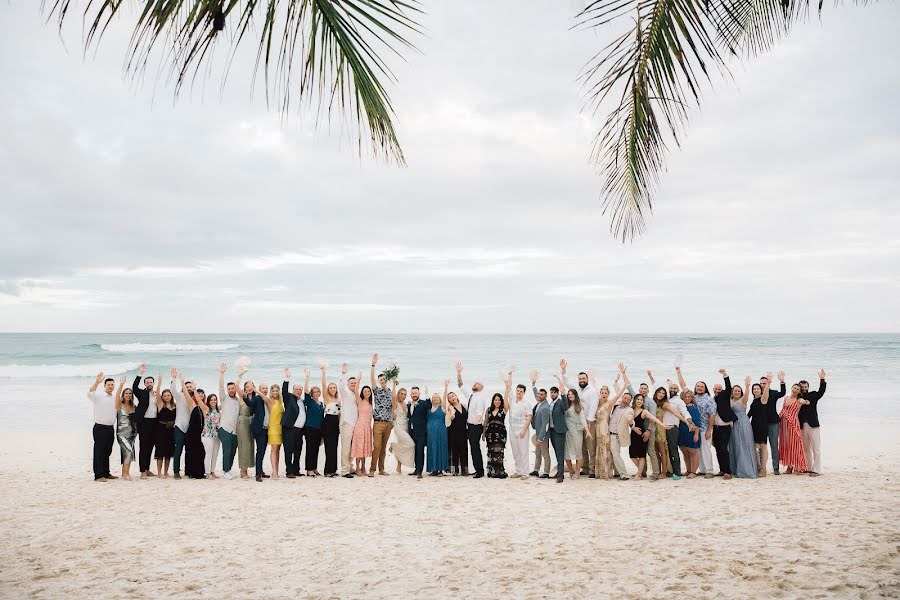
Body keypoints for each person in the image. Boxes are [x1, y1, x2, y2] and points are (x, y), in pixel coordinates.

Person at [560, 358, 600, 477]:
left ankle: (592, 470)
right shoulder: (576, 388)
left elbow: (593, 406)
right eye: (580, 379)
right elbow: (566, 382)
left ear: (587, 379)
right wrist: (563, 370)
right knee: (581, 447)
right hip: (576, 424)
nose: (582, 380)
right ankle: (585, 468)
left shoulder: (592, 390)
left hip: (588, 422)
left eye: (584, 378)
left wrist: (589, 421)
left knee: (590, 446)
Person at [675, 366, 715, 477]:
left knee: (705, 450)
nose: (699, 388)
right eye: (698, 386)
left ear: (705, 388)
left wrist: (709, 430)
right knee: (698, 451)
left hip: (704, 428)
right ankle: (702, 470)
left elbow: (712, 416)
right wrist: (679, 373)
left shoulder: (709, 400)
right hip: (692, 428)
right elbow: (683, 386)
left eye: (702, 386)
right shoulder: (693, 397)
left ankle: (710, 471)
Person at [660, 379, 696, 480]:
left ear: (678, 390)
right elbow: (656, 388)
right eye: (671, 388)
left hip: (672, 428)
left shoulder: (679, 401)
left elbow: (685, 412)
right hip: (661, 427)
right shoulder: (665, 398)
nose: (672, 389)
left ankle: (677, 473)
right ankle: (668, 471)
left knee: (673, 450)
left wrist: (689, 422)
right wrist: (650, 376)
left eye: (675, 388)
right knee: (663, 451)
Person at [456, 361, 487, 479]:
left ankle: (480, 471)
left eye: (477, 384)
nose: (474, 385)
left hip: (475, 426)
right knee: (473, 448)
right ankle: (478, 469)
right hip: (470, 426)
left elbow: (480, 412)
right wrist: (459, 373)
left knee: (475, 448)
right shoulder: (471, 395)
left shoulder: (480, 398)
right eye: (474, 383)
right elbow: (460, 386)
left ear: (481, 388)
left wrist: (475, 422)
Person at [217, 362, 246, 480]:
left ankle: (228, 469)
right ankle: (225, 471)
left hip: (235, 431)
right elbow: (220, 387)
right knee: (227, 451)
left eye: (233, 388)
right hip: (225, 429)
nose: (231, 390)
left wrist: (240, 376)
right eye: (229, 388)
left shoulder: (238, 399)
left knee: (233, 451)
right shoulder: (224, 398)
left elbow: (238, 386)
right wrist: (222, 374)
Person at [483, 369, 513, 479]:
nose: (497, 401)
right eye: (495, 400)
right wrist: (483, 433)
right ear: (493, 400)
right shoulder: (488, 410)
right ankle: (492, 472)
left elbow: (507, 395)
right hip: (490, 434)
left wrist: (507, 386)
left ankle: (500, 472)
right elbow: (486, 421)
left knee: (499, 452)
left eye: (499, 400)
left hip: (500, 434)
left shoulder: (503, 410)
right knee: (491, 452)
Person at [608, 364, 636, 480]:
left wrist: (631, 422)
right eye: (625, 398)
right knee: (612, 453)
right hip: (608, 432)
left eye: (629, 399)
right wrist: (617, 379)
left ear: (630, 401)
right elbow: (618, 388)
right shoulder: (617, 403)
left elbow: (631, 419)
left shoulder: (629, 410)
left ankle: (623, 474)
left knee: (615, 453)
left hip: (617, 435)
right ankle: (616, 472)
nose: (626, 400)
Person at [629, 394, 666, 480]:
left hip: (642, 435)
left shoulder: (644, 411)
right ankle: (641, 471)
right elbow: (627, 422)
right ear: (635, 400)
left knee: (642, 455)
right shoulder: (630, 410)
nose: (639, 401)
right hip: (633, 434)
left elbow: (654, 419)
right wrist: (633, 427)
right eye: (638, 399)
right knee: (632, 455)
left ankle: (639, 475)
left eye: (641, 400)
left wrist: (663, 426)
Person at [88, 373, 117, 481]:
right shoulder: (98, 396)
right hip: (100, 428)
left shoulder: (115, 398)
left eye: (112, 384)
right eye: (109, 384)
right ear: (105, 386)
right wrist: (97, 382)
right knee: (99, 452)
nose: (111, 386)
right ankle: (99, 475)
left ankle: (106, 473)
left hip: (110, 428)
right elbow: (90, 393)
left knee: (107, 452)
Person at [728, 376, 759, 479]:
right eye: (735, 390)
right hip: (733, 425)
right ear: (732, 392)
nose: (737, 392)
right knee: (735, 445)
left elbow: (746, 395)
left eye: (738, 390)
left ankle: (747, 470)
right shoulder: (730, 400)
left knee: (744, 445)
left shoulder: (743, 400)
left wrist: (747, 386)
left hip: (743, 423)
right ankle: (736, 469)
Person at [131, 363, 157, 479]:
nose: (149, 384)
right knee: (144, 447)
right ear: (145, 384)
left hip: (155, 423)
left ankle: (147, 469)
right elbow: (134, 387)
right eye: (147, 382)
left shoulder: (157, 394)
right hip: (144, 423)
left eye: (151, 382)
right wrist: (140, 373)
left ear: (153, 383)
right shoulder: (142, 393)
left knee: (151, 447)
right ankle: (142, 471)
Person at [370, 354, 394, 476]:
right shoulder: (377, 391)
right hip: (378, 422)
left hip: (388, 423)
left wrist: (393, 421)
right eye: (380, 380)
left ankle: (382, 469)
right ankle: (372, 470)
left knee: (383, 448)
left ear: (386, 380)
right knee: (377, 446)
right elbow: (372, 379)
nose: (382, 381)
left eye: (384, 379)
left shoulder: (390, 392)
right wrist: (373, 365)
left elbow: (393, 406)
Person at [798, 369, 826, 476]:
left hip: (813, 425)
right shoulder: (797, 397)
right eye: (802, 387)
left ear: (808, 388)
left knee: (816, 449)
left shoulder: (813, 395)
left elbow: (821, 391)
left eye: (806, 387)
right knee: (806, 449)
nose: (804, 389)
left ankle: (816, 470)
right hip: (802, 426)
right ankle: (808, 468)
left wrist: (822, 379)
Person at [169, 368, 195, 479]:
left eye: (190, 387)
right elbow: (172, 390)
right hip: (179, 427)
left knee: (189, 451)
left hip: (190, 429)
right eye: (187, 386)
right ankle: (176, 472)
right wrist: (174, 378)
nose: (188, 388)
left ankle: (188, 471)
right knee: (178, 450)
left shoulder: (195, 398)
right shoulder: (179, 396)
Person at [178, 374, 206, 479]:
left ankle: (198, 472)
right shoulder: (192, 405)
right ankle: (190, 473)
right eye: (198, 394)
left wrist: (195, 390)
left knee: (200, 452)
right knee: (191, 452)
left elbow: (200, 401)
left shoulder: (205, 408)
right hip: (191, 433)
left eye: (201, 394)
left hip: (200, 434)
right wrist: (182, 383)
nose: (199, 396)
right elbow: (185, 394)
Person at [778, 383, 809, 475]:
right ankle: (789, 466)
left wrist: (806, 401)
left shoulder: (799, 400)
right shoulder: (786, 398)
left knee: (795, 445)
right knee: (787, 445)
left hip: (793, 424)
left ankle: (798, 466)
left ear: (799, 392)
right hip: (784, 424)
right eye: (794, 388)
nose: (795, 390)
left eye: (797, 389)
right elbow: (783, 410)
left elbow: (806, 402)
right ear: (791, 388)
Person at [711, 369, 736, 480]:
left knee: (723, 449)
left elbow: (729, 386)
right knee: (717, 449)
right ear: (713, 389)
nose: (717, 390)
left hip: (725, 427)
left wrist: (725, 375)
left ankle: (728, 472)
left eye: (719, 389)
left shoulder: (724, 396)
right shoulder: (712, 399)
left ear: (722, 390)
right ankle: (721, 470)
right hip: (715, 428)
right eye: (716, 389)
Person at [281, 368, 307, 479]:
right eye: (296, 389)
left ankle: (296, 470)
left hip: (300, 431)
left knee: (298, 451)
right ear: (293, 390)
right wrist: (287, 378)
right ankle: (289, 471)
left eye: (300, 390)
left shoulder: (302, 401)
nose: (298, 391)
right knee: (289, 451)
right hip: (289, 429)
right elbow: (284, 391)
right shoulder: (289, 398)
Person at [508, 381, 534, 479]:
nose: (519, 392)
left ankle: (525, 473)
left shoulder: (526, 403)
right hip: (512, 430)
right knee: (515, 452)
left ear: (524, 393)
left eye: (521, 391)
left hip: (522, 430)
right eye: (517, 391)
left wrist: (524, 430)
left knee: (523, 452)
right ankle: (518, 471)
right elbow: (508, 388)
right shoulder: (512, 400)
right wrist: (510, 374)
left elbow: (529, 417)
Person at [762, 372, 787, 475]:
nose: (763, 385)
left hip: (773, 422)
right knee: (761, 446)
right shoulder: (758, 394)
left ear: (769, 383)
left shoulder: (773, 393)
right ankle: (761, 467)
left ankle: (775, 468)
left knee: (774, 445)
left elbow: (782, 393)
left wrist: (782, 381)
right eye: (761, 383)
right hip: (761, 423)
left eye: (765, 383)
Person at [244, 381, 269, 482]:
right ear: (259, 389)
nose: (265, 390)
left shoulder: (268, 399)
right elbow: (249, 404)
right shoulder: (257, 398)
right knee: (260, 451)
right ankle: (258, 474)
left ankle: (261, 471)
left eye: (266, 388)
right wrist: (245, 396)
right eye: (263, 388)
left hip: (267, 429)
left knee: (262, 451)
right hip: (259, 429)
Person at [748, 374, 773, 476]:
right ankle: (758, 467)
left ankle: (763, 469)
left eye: (758, 388)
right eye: (754, 389)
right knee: (754, 446)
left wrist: (768, 383)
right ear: (753, 391)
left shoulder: (763, 399)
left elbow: (766, 393)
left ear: (761, 390)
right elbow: (749, 414)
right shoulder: (754, 401)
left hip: (762, 425)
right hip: (754, 425)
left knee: (763, 446)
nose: (756, 390)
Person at [562, 388, 589, 479]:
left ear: (575, 395)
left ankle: (577, 472)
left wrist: (587, 430)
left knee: (578, 452)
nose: (570, 395)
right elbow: (562, 392)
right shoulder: (566, 405)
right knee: (566, 453)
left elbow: (583, 419)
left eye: (572, 394)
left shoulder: (579, 406)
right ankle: (571, 470)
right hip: (567, 432)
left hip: (577, 432)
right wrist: (560, 379)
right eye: (569, 394)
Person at [338, 363, 359, 478]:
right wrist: (344, 373)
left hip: (356, 424)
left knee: (353, 447)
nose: (353, 385)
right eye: (351, 383)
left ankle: (350, 467)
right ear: (348, 384)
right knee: (346, 448)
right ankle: (345, 470)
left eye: (355, 383)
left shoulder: (357, 395)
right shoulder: (345, 394)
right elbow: (341, 386)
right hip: (346, 424)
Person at [114, 375, 137, 481]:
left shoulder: (134, 406)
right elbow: (117, 395)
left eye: (130, 393)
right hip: (121, 434)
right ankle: (126, 474)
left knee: (128, 453)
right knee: (128, 452)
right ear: (124, 395)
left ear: (132, 395)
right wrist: (121, 384)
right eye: (126, 393)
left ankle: (124, 473)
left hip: (132, 433)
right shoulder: (119, 405)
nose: (128, 395)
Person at [302, 369, 324, 477]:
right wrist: (307, 378)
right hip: (310, 428)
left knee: (316, 449)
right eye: (314, 392)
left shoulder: (321, 403)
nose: (316, 393)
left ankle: (314, 468)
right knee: (310, 449)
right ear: (312, 393)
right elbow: (305, 391)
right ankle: (309, 469)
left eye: (317, 391)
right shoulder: (309, 401)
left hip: (319, 429)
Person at [320, 365, 341, 477]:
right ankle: (327, 471)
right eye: (331, 388)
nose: (332, 389)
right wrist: (323, 373)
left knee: (335, 447)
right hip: (328, 422)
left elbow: (339, 414)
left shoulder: (338, 399)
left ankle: (333, 470)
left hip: (335, 424)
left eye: (334, 387)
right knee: (329, 447)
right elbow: (323, 385)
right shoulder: (326, 397)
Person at [426, 382, 451, 475]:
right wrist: (427, 394)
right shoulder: (429, 409)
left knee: (441, 448)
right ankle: (434, 469)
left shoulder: (442, 407)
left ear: (439, 399)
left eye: (436, 397)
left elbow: (445, 398)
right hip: (431, 432)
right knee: (432, 448)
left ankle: (440, 469)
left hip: (441, 431)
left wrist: (446, 387)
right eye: (433, 397)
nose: (435, 398)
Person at [351, 377, 374, 477]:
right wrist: (358, 379)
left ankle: (363, 466)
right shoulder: (360, 401)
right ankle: (357, 467)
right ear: (362, 392)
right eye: (365, 391)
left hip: (368, 428)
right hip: (360, 427)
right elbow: (355, 391)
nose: (367, 392)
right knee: (359, 448)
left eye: (368, 391)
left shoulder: (371, 403)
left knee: (364, 448)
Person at [676, 390, 702, 478]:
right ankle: (688, 470)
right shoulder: (680, 407)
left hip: (692, 432)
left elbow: (698, 422)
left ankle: (693, 472)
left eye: (689, 397)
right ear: (682, 398)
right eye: (685, 397)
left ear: (691, 398)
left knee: (693, 452)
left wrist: (696, 434)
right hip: (682, 431)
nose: (687, 398)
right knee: (685, 452)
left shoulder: (693, 407)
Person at [389, 386, 415, 473]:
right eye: (401, 394)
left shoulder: (407, 404)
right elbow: (393, 396)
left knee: (402, 444)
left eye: (405, 394)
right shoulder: (395, 403)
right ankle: (393, 445)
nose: (403, 396)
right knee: (411, 444)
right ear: (398, 394)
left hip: (405, 426)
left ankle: (398, 466)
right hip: (398, 426)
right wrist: (393, 383)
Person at [530, 381, 552, 479]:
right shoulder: (540, 402)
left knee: (545, 453)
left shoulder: (545, 408)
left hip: (543, 435)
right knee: (537, 452)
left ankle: (546, 472)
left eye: (541, 394)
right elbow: (536, 396)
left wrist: (540, 438)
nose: (539, 395)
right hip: (538, 433)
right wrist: (533, 386)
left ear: (546, 396)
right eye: (538, 394)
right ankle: (536, 470)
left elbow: (545, 426)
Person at [154, 380, 175, 478]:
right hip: (161, 430)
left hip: (171, 431)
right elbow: (157, 394)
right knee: (160, 452)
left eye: (168, 395)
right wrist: (159, 382)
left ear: (171, 396)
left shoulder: (174, 406)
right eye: (165, 395)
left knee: (168, 453)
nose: (167, 397)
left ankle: (166, 472)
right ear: (162, 397)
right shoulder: (160, 404)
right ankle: (159, 473)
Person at [263, 383, 284, 479]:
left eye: (277, 390)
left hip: (280, 428)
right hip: (273, 428)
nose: (275, 392)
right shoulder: (270, 401)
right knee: (274, 449)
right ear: (271, 392)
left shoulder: (280, 401)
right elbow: (261, 394)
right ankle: (274, 472)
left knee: (278, 450)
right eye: (273, 391)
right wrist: (253, 388)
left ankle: (276, 471)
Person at [197, 392, 221, 478]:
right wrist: (195, 389)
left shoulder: (218, 409)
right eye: (211, 400)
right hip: (207, 435)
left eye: (215, 400)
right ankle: (207, 473)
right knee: (208, 454)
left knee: (215, 455)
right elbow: (199, 401)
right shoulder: (206, 409)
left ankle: (212, 472)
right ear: (208, 401)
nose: (213, 401)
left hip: (217, 436)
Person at [548, 383, 568, 482]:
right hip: (551, 431)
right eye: (551, 393)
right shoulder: (550, 403)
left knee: (560, 453)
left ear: (557, 393)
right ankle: (559, 472)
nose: (552, 394)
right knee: (556, 452)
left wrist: (563, 393)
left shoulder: (560, 402)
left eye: (554, 393)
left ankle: (561, 475)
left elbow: (565, 406)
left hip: (559, 431)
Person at [409, 386, 430, 479]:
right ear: (410, 394)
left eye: (415, 393)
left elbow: (429, 406)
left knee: (420, 451)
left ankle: (420, 472)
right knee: (415, 451)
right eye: (412, 393)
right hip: (412, 432)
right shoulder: (409, 405)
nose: (414, 395)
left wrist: (427, 395)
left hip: (421, 432)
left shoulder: (423, 403)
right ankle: (416, 469)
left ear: (419, 394)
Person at [446, 387, 469, 475]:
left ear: (456, 396)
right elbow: (451, 418)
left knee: (464, 450)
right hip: (453, 432)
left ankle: (464, 470)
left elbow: (468, 419)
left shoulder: (464, 405)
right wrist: (451, 413)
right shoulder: (450, 408)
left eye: (453, 396)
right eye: (450, 397)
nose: (452, 398)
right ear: (449, 400)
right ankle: (455, 470)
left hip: (463, 431)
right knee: (455, 451)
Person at [237, 380, 256, 479]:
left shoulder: (255, 398)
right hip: (242, 422)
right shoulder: (242, 397)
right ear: (244, 388)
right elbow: (236, 386)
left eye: (251, 386)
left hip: (251, 423)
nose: (249, 388)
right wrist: (240, 375)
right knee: (244, 446)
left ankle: (246, 469)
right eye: (247, 386)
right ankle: (243, 471)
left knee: (249, 446)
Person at [652, 388, 672, 479]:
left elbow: (675, 412)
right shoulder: (653, 403)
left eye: (663, 393)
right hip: (652, 428)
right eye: (659, 392)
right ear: (656, 392)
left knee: (662, 451)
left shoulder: (664, 404)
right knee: (655, 452)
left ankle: (664, 472)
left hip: (660, 429)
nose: (660, 394)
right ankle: (658, 471)